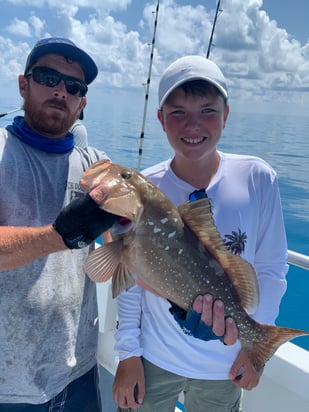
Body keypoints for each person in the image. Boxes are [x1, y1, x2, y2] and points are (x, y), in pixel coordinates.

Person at [112, 56, 288, 411]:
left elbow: (271, 268)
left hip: (224, 366)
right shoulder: (143, 189)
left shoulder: (257, 177)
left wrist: (255, 353)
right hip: (155, 357)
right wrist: (128, 353)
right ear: (161, 119)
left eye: (207, 110)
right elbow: (128, 277)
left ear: (226, 114)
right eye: (177, 112)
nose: (192, 124)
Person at [0, 37, 117, 411]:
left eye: (73, 86)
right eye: (48, 77)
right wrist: (57, 236)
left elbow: (127, 247)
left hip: (79, 373)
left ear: (82, 103)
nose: (60, 91)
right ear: (23, 84)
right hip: (9, 385)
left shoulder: (97, 165)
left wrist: (185, 298)